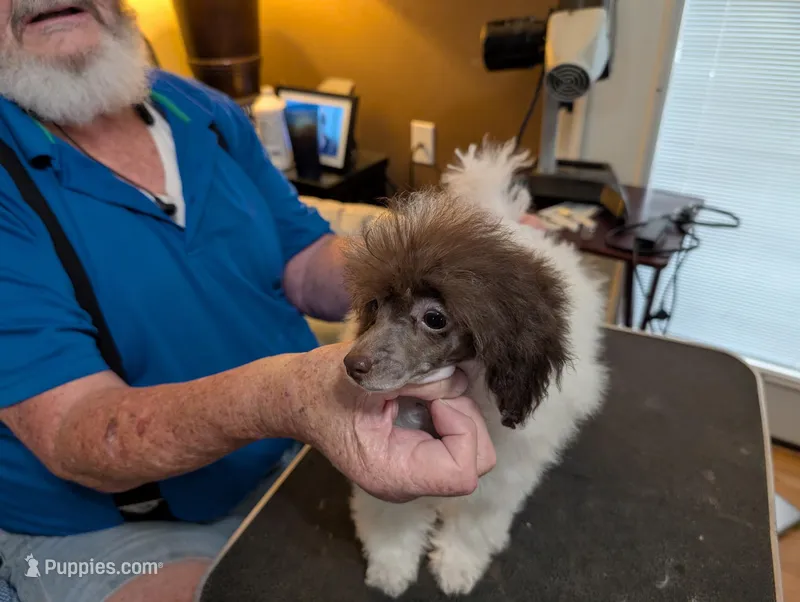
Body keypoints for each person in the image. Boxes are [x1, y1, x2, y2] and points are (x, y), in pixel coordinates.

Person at [0, 2, 498, 601]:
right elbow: (74, 432)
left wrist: (422, 267)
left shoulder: (197, 108)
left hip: (287, 457)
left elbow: (304, 257)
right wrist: (289, 397)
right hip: (113, 525)